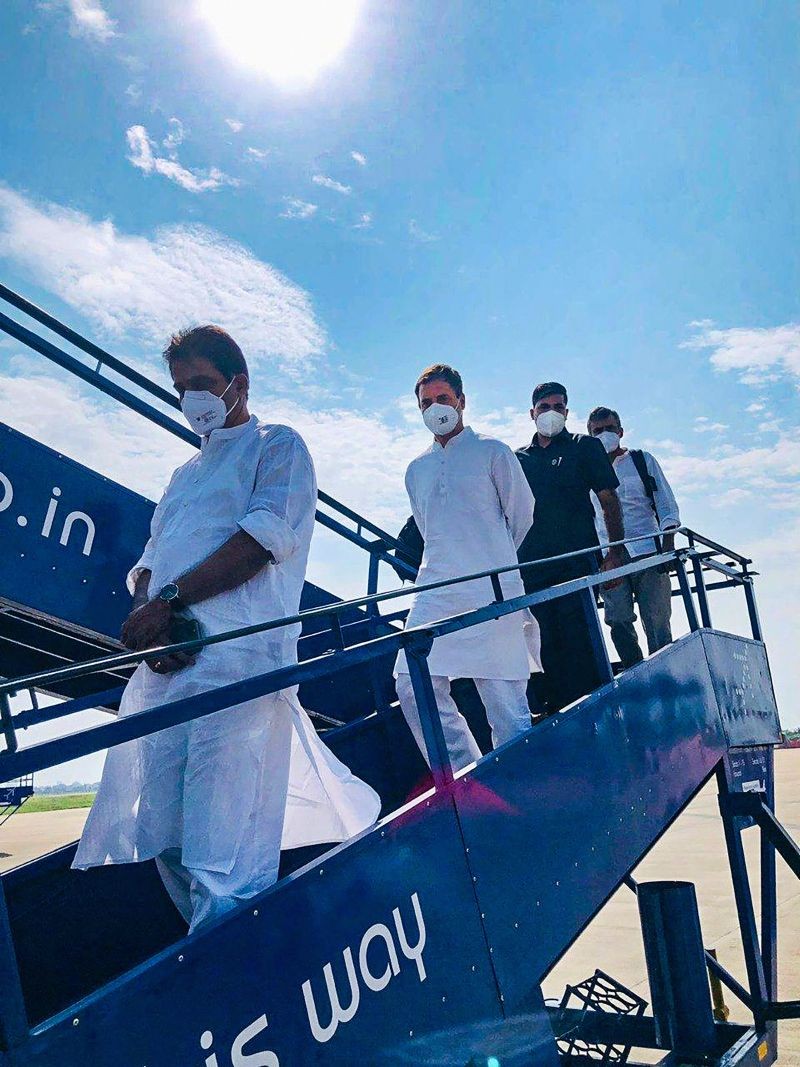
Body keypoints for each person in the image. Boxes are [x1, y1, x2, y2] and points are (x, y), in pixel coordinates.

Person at [73, 325, 380, 933]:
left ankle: (237, 965)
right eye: (181, 388)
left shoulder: (278, 446)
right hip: (166, 672)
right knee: (160, 831)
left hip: (236, 667)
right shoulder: (184, 474)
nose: (192, 399)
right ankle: (208, 953)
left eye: (203, 384)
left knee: (223, 844)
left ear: (238, 382)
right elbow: (152, 555)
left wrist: (169, 599)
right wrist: (147, 614)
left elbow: (263, 540)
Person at [394, 364, 541, 772]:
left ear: (461, 400)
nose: (436, 408)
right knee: (412, 681)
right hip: (436, 590)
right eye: (426, 403)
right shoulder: (415, 470)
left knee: (506, 706)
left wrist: (491, 557)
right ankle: (465, 773)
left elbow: (521, 515)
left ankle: (516, 782)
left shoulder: (494, 452)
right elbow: (428, 529)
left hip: (492, 588)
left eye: (443, 399)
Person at [516, 382, 624, 713]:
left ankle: (596, 717)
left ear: (566, 411)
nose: (551, 412)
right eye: (544, 407)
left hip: (577, 567)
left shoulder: (585, 447)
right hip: (531, 571)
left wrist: (616, 552)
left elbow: (609, 500)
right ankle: (552, 718)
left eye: (558, 406)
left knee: (582, 649)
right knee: (543, 650)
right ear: (532, 413)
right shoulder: (516, 460)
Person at [587, 405, 681, 668]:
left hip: (648, 550)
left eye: (609, 429)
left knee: (657, 619)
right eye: (597, 431)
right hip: (609, 557)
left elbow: (665, 504)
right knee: (617, 619)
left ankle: (662, 671)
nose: (604, 434)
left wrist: (668, 547)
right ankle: (636, 672)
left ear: (621, 431)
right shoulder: (586, 470)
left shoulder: (641, 460)